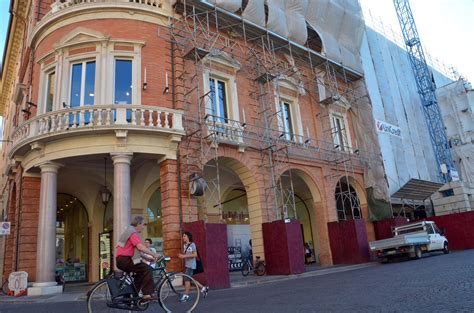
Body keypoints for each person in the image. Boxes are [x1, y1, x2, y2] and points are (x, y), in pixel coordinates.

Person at [116, 216, 160, 301]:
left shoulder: (128, 231)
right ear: (138, 224)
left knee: (140, 274)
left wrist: (147, 258)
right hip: (125, 260)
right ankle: (146, 294)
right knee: (147, 269)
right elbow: (140, 247)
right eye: (143, 225)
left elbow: (135, 251)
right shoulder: (132, 232)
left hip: (121, 260)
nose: (143, 227)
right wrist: (154, 254)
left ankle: (130, 297)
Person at [178, 231, 209, 302]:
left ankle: (186, 296)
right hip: (187, 265)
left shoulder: (192, 244)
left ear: (188, 237)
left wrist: (184, 256)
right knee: (189, 279)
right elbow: (186, 256)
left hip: (191, 266)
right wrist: (182, 256)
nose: (183, 237)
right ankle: (204, 288)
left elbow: (195, 255)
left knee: (187, 279)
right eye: (183, 236)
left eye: (184, 236)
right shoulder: (184, 245)